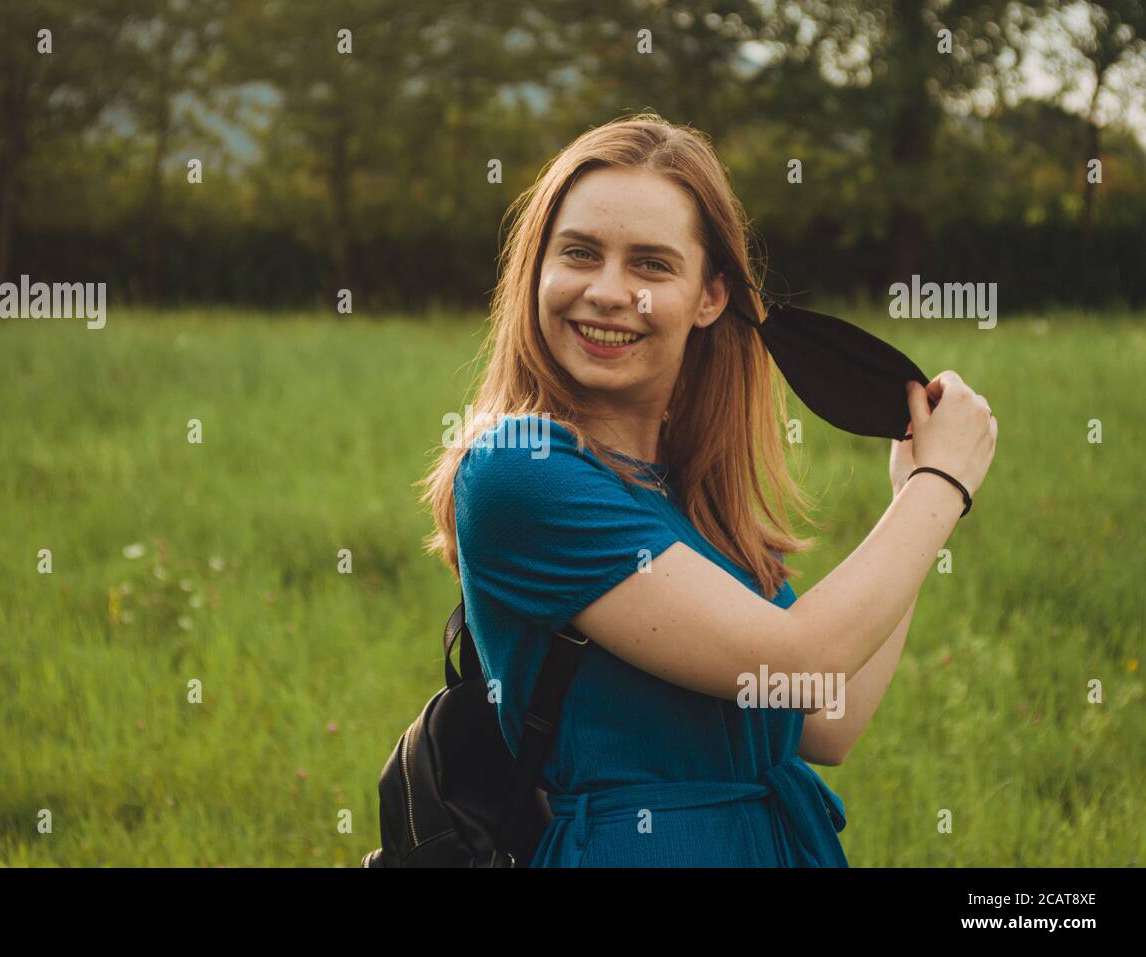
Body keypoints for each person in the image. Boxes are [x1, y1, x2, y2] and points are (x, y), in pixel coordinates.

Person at [417, 112, 997, 866]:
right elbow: (801, 662)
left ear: (711, 297)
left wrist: (909, 495)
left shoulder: (683, 491)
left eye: (652, 265)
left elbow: (828, 717)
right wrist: (942, 483)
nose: (608, 291)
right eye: (580, 254)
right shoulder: (520, 472)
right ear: (537, 272)